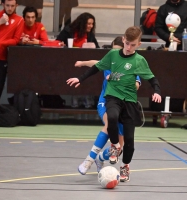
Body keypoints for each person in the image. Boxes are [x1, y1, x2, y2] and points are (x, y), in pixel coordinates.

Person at [67, 26, 162, 182]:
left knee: (129, 141)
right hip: (110, 99)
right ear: (124, 39)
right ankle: (96, 156)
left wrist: (156, 91)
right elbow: (96, 65)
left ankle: (121, 164)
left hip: (129, 102)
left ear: (138, 44)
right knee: (111, 119)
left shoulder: (138, 62)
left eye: (133, 45)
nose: (129, 48)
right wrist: (81, 75)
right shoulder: (112, 56)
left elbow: (149, 79)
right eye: (127, 44)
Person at [76, 36, 141, 176]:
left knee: (119, 148)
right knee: (109, 124)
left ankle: (100, 159)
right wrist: (82, 63)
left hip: (124, 104)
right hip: (106, 102)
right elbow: (95, 63)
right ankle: (89, 160)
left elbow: (136, 85)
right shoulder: (109, 61)